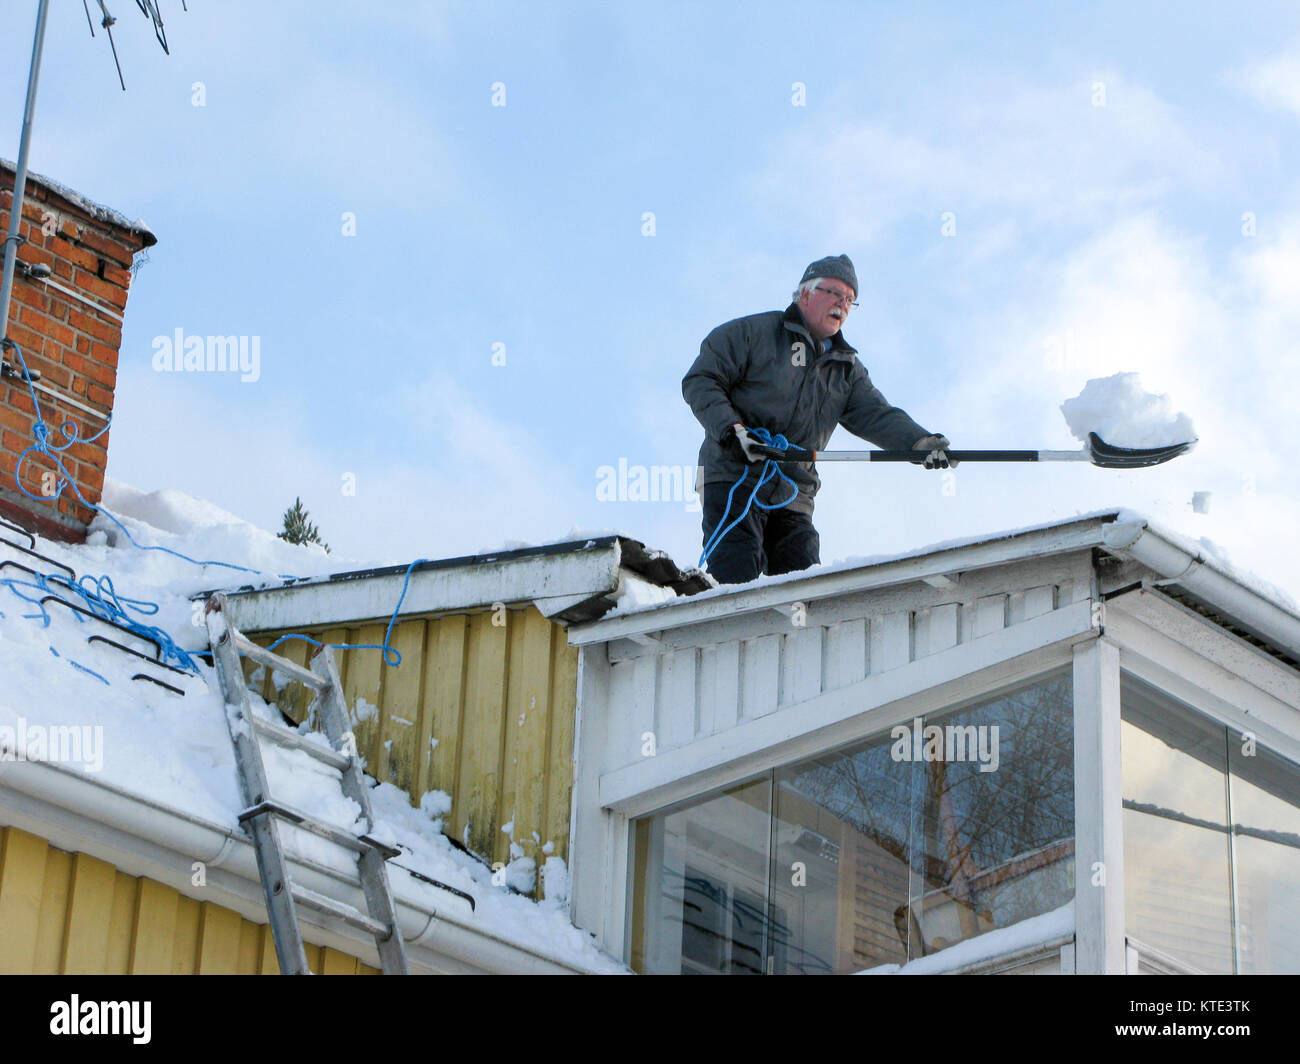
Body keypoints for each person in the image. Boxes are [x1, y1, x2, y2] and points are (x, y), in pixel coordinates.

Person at [682, 254, 953, 585]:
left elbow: (876, 414)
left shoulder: (846, 370)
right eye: (835, 293)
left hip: (794, 490)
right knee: (737, 576)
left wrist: (919, 442)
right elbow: (701, 380)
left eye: (851, 299)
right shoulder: (753, 333)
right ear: (805, 294)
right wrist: (733, 431)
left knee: (804, 585)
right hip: (733, 477)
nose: (843, 304)